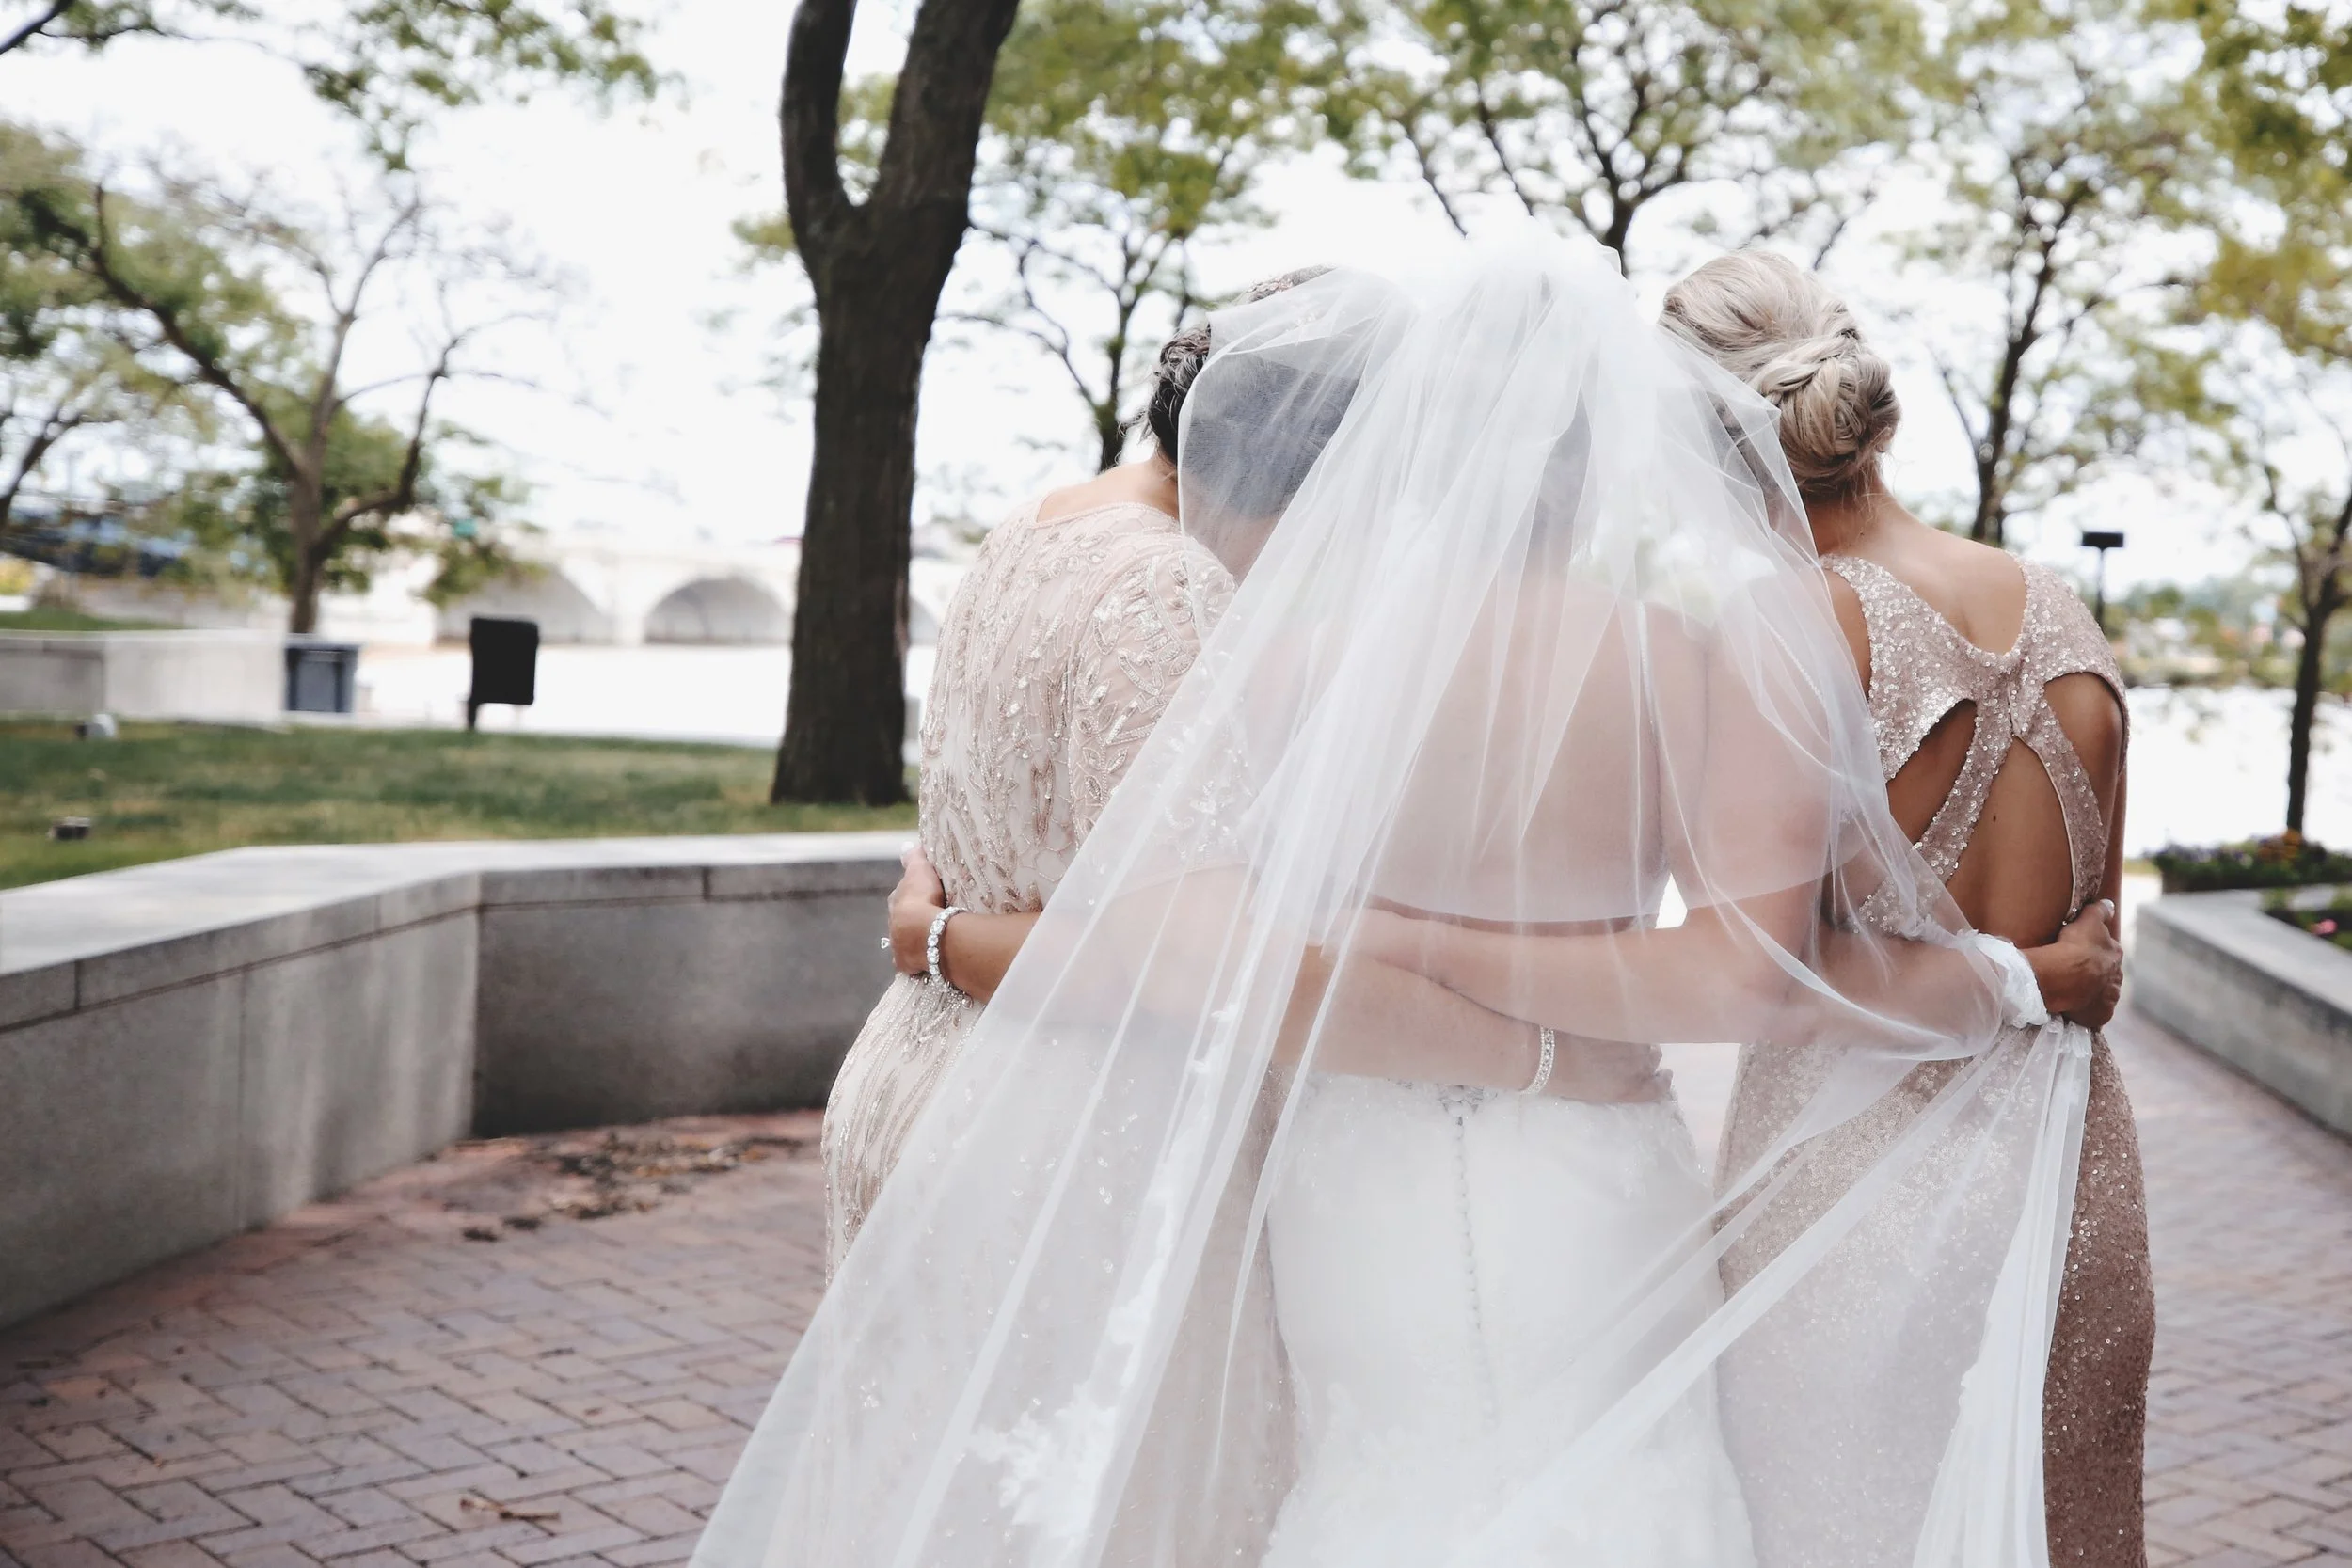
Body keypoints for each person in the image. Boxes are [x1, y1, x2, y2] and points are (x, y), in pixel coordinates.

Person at [693, 233, 2107, 1568]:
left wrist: (948, 933)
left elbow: (1163, 924)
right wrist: (2013, 976)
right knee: (1616, 1486)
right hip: (1587, 1150)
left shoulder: (1288, 651)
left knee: (1366, 1478)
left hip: (1345, 1163)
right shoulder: (1693, 651)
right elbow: (1744, 967)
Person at [826, 269, 1665, 1270]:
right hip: (1067, 1136)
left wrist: (937, 938)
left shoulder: (1036, 524)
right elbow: (1201, 968)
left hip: (917, 1078)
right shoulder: (1165, 583)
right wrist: (1542, 1058)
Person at [1658, 249, 2150, 1568]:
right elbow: (2099, 946)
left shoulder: (1786, 627)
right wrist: (2035, 972)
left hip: (1850, 1198)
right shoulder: (2064, 608)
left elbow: (1760, 977)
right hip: (2072, 1198)